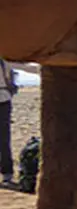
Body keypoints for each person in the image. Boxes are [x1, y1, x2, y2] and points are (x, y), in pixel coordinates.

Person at [0, 58, 39, 189]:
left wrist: (45, 69)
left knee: (3, 139)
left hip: (3, 100)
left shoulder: (3, 61)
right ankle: (7, 175)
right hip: (4, 100)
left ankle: (7, 174)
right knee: (4, 139)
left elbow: (25, 66)